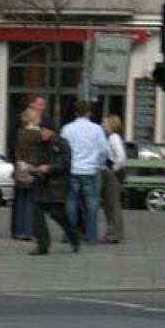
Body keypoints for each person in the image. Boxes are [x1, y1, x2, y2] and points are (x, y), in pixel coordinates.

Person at [30, 118, 81, 255]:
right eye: (41, 130)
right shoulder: (40, 144)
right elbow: (35, 158)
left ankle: (73, 236)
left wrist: (50, 168)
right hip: (41, 184)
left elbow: (66, 163)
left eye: (44, 130)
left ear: (51, 131)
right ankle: (42, 245)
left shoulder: (61, 143)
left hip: (56, 186)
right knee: (37, 216)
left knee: (58, 215)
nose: (42, 133)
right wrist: (31, 168)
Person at [60, 103, 108, 244]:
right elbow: (104, 150)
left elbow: (62, 148)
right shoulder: (97, 129)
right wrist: (99, 164)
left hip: (72, 169)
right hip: (90, 170)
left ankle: (70, 234)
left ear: (75, 113)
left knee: (71, 202)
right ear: (89, 113)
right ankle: (91, 236)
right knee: (92, 203)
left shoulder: (67, 129)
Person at [11, 97, 45, 241]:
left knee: (21, 200)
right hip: (32, 169)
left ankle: (19, 229)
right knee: (31, 200)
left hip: (20, 168)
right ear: (33, 119)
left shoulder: (20, 132)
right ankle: (28, 230)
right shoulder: (37, 134)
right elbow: (41, 152)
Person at [101, 113, 127, 243]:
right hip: (108, 173)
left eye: (105, 122)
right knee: (108, 204)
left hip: (112, 174)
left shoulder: (114, 137)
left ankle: (115, 233)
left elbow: (121, 158)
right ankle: (111, 231)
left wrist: (113, 169)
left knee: (113, 204)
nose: (102, 125)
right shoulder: (109, 137)